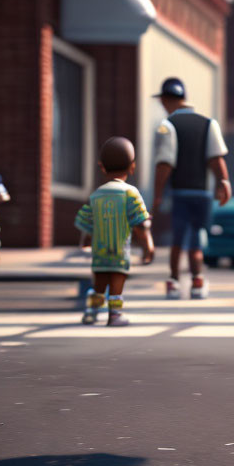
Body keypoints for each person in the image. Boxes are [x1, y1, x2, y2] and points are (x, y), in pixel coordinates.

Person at [151, 78, 231, 299]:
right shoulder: (208, 123)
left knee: (178, 239)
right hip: (202, 193)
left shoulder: (167, 126)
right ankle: (197, 280)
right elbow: (216, 159)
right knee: (197, 237)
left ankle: (174, 281)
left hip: (180, 192)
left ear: (167, 100)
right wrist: (224, 182)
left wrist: (157, 195)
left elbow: (165, 163)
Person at [76, 137, 154, 327]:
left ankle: (92, 311)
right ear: (132, 167)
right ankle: (115, 314)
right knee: (117, 283)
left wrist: (86, 241)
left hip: (100, 252)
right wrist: (147, 246)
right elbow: (140, 224)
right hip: (120, 252)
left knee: (99, 285)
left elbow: (88, 223)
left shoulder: (95, 195)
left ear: (101, 167)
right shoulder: (131, 193)